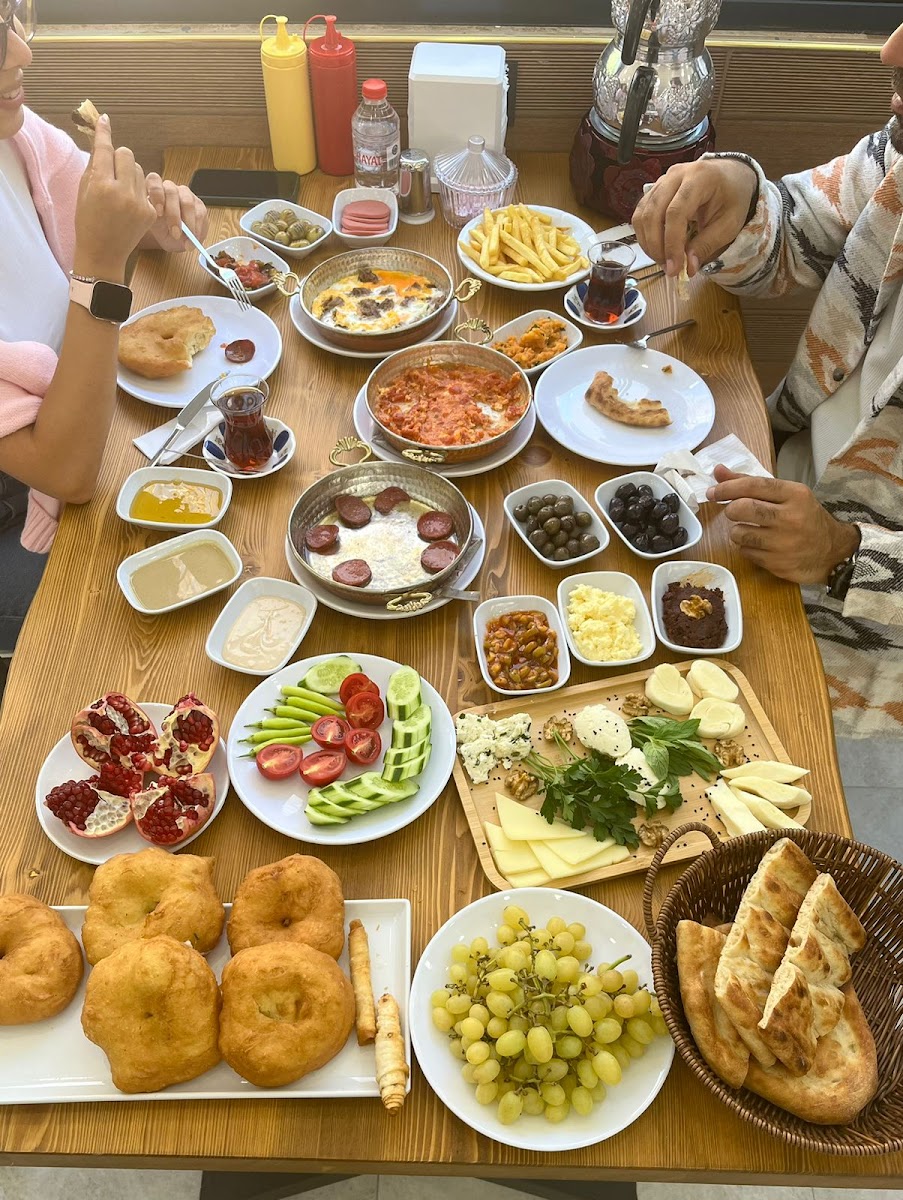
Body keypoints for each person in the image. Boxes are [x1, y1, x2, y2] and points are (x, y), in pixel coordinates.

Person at [632, 20, 903, 740]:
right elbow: (802, 228)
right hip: (771, 492)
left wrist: (847, 556)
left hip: (873, 662)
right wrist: (736, 193)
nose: (889, 50)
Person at [0, 0, 208, 658]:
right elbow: (67, 472)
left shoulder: (13, 135)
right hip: (22, 511)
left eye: (10, 19)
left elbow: (84, 202)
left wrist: (147, 223)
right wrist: (100, 264)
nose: (22, 55)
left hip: (90, 417)